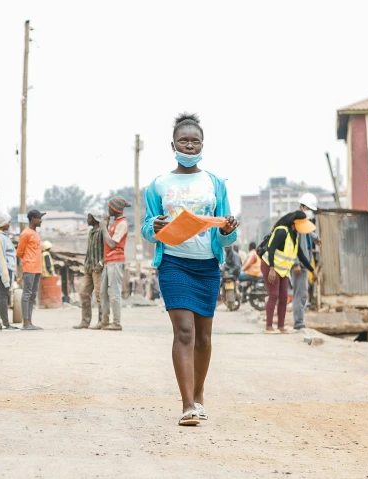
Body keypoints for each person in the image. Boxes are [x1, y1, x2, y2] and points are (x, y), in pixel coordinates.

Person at [142, 113, 239, 426]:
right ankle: (186, 406)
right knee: (184, 330)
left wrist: (228, 230)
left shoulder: (214, 183)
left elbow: (227, 234)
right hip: (173, 263)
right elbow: (147, 227)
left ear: (202, 144)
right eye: (183, 140)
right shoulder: (158, 185)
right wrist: (153, 226)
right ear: (173, 144)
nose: (188, 144)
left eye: (194, 140)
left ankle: (199, 395)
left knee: (204, 338)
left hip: (207, 266)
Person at [261, 211, 315, 334]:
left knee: (284, 297)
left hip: (282, 271)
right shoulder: (282, 231)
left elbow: (301, 256)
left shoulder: (293, 236)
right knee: (274, 295)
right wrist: (271, 269)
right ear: (295, 223)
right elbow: (271, 249)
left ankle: (281, 326)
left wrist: (313, 270)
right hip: (270, 266)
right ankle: (269, 327)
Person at [96, 196, 131, 331]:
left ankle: (116, 323)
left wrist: (104, 227)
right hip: (108, 261)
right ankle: (105, 321)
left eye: (109, 207)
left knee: (114, 292)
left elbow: (111, 243)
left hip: (116, 261)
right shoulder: (115, 222)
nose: (108, 210)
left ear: (115, 208)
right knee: (103, 292)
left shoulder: (122, 223)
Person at [292, 193, 322, 330]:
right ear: (302, 207)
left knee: (303, 292)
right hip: (299, 264)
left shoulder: (303, 223)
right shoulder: (296, 224)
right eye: (308, 209)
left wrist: (315, 238)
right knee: (301, 294)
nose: (310, 212)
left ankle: (299, 321)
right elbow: (293, 245)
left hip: (305, 262)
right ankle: (298, 323)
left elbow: (309, 230)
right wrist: (296, 263)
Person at [16, 210, 45, 330]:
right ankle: (25, 322)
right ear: (33, 219)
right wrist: (29, 261)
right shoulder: (25, 233)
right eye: (39, 218)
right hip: (29, 268)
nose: (41, 220)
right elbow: (19, 252)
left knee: (33, 295)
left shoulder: (35, 233)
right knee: (27, 294)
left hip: (37, 268)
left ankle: (30, 322)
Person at [75, 211, 104, 329]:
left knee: (99, 295)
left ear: (94, 219)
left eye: (89, 218)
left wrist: (101, 263)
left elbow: (108, 249)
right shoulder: (91, 232)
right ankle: (85, 321)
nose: (87, 220)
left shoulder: (102, 232)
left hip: (98, 268)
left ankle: (102, 321)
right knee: (84, 293)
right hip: (88, 268)